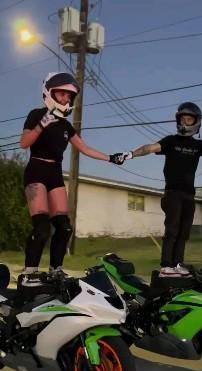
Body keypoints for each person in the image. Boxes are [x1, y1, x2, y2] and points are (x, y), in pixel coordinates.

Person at [20, 72, 125, 275]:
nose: (66, 99)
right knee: (42, 227)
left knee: (64, 227)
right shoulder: (36, 114)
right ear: (49, 93)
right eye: (62, 94)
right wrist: (42, 124)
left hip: (55, 173)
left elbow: (85, 149)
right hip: (36, 170)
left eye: (70, 96)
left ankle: (55, 270)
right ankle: (29, 272)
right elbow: (24, 143)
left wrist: (111, 158)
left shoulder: (67, 126)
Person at [123, 102, 202, 277]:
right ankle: (166, 266)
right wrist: (130, 154)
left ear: (196, 122)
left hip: (189, 195)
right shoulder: (170, 141)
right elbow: (149, 148)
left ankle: (177, 264)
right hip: (173, 193)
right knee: (172, 230)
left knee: (184, 233)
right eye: (182, 119)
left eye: (189, 119)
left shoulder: (198, 145)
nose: (185, 122)